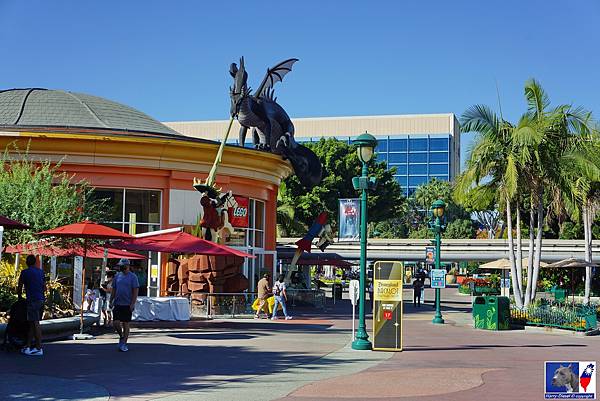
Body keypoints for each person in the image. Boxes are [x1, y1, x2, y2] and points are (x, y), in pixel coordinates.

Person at [17, 255, 45, 356]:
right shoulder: (41, 272)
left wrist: (20, 297)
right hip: (41, 299)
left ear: (27, 263)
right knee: (33, 323)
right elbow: (44, 287)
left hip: (32, 300)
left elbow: (19, 287)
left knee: (35, 323)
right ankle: (28, 346)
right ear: (35, 262)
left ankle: (39, 348)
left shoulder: (25, 272)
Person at [110, 259, 139, 352]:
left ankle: (124, 343)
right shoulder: (117, 276)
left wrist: (133, 303)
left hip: (127, 303)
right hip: (118, 303)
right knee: (115, 322)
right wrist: (111, 300)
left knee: (126, 323)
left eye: (122, 266)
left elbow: (135, 291)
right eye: (120, 266)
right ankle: (121, 336)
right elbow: (114, 289)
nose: (120, 267)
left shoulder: (133, 277)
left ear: (127, 266)